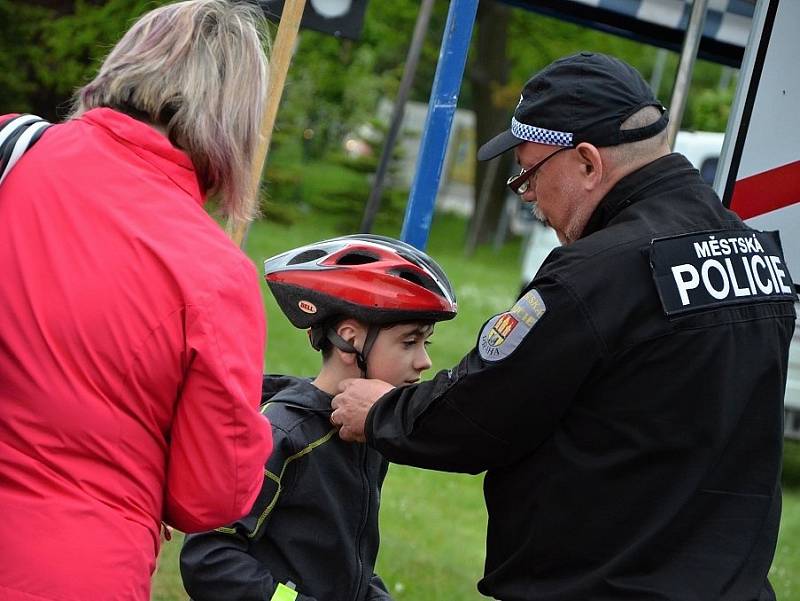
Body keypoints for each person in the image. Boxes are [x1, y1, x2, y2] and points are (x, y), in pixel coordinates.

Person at [329, 52, 797, 600]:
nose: (531, 202)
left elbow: (482, 411)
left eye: (529, 176)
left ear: (588, 163)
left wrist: (381, 412)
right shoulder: (754, 253)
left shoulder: (595, 275)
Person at [0, 2, 274, 600]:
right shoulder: (214, 272)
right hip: (70, 569)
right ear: (233, 118)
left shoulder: (9, 150)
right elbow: (210, 495)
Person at [179, 234, 458, 601]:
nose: (424, 361)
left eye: (427, 343)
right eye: (409, 342)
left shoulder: (362, 431)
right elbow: (209, 556)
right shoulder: (284, 434)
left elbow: (342, 564)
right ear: (350, 339)